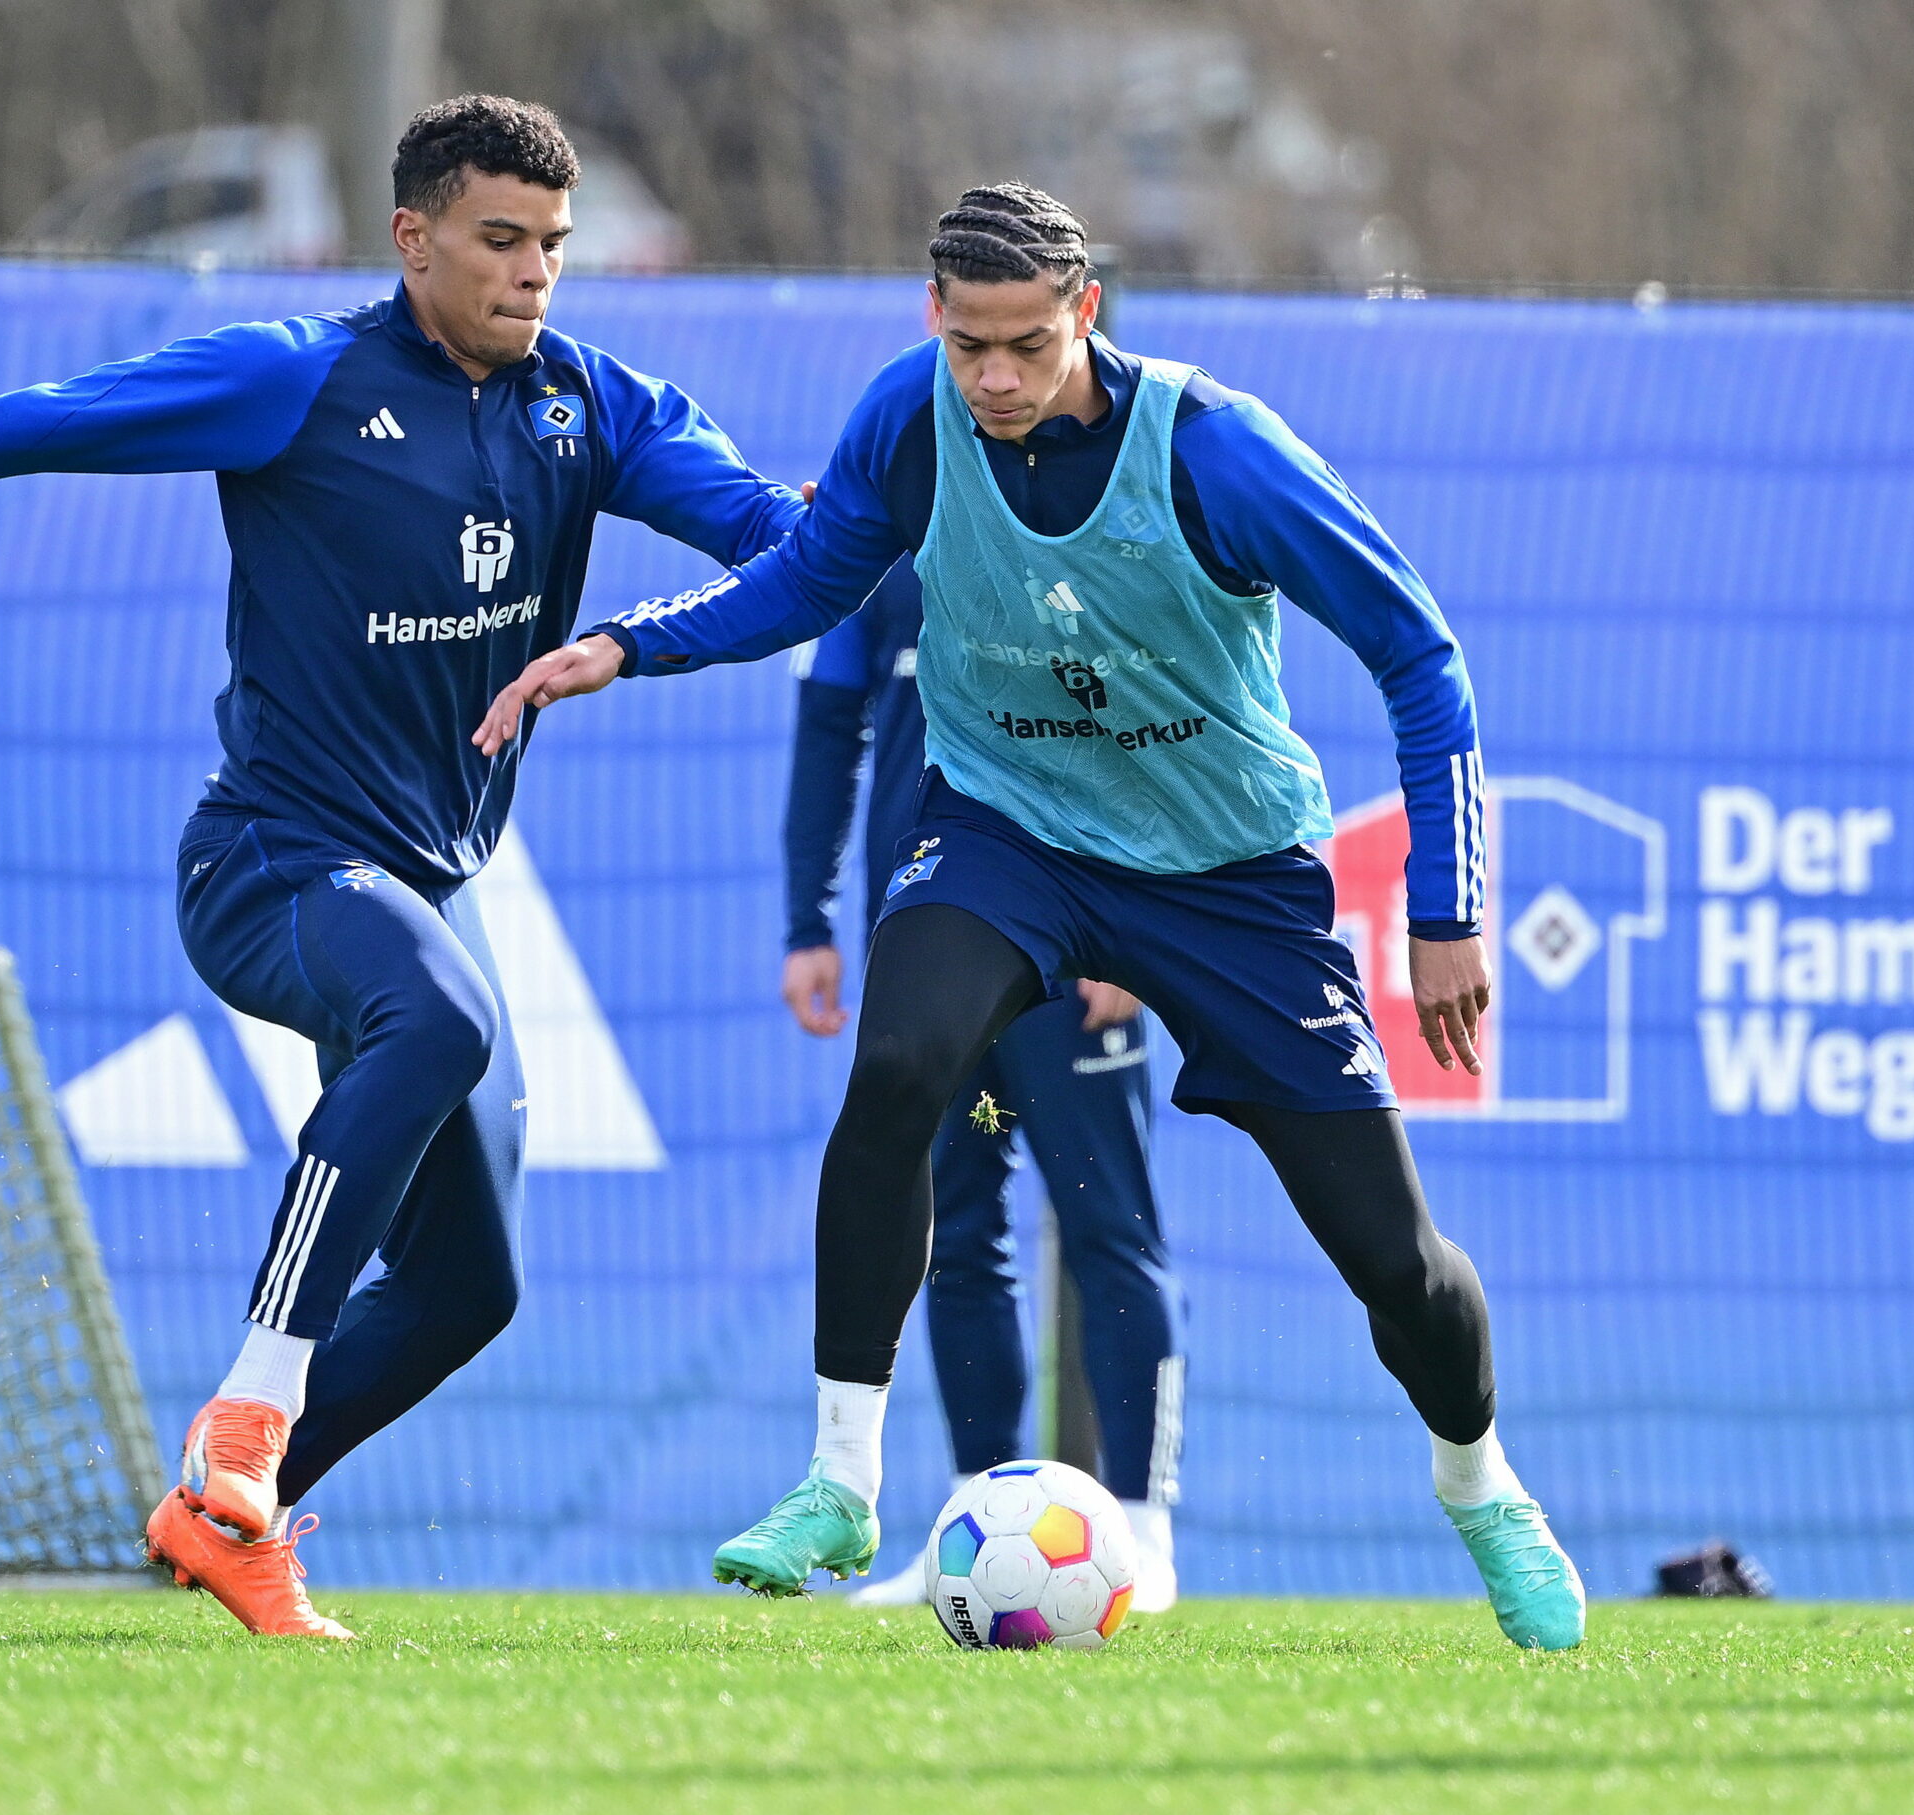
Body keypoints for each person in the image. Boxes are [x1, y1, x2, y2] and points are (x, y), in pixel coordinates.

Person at [0, 96, 803, 1641]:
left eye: (552, 243)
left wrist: (905, 521)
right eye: (498, 240)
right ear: (411, 239)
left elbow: (777, 538)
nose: (534, 271)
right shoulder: (297, 378)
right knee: (441, 1019)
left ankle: (221, 1518)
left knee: (473, 1289)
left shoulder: (595, 405)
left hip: (420, 879)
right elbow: (42, 418)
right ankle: (251, 1410)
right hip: (272, 862)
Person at [482, 183, 1585, 1649]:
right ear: (932, 316)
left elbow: (1419, 652)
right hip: (1006, 829)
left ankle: (1482, 1481)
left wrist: (1448, 904)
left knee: (1396, 1258)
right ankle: (840, 1477)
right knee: (897, 1069)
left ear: (1087, 314)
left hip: (1225, 875)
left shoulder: (1214, 450)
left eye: (1025, 345)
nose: (994, 380)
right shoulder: (908, 415)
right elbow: (811, 583)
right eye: (969, 344)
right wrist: (627, 642)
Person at [783, 555, 1187, 1611]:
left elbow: (1166, 718)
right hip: (933, 956)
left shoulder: (1089, 530)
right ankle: (977, 1523)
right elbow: (830, 724)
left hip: (1076, 961)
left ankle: (1144, 1532)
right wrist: (807, 922)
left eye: (1008, 370)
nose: (991, 382)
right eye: (965, 373)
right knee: (956, 1234)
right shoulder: (877, 547)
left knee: (1109, 1229)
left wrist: (1139, 927)